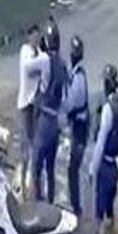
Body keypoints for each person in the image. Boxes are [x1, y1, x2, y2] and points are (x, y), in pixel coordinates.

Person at [88, 63, 118, 234]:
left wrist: (92, 169)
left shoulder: (108, 111)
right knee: (109, 217)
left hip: (104, 168)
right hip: (115, 168)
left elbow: (101, 142)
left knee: (99, 218)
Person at [31, 19, 67, 203]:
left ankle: (38, 208)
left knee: (35, 169)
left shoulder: (44, 62)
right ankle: (52, 206)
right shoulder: (63, 65)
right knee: (50, 169)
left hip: (44, 122)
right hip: (55, 124)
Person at [17, 24, 49, 197]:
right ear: (29, 38)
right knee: (25, 148)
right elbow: (30, 68)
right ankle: (22, 184)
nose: (37, 40)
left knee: (35, 145)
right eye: (34, 37)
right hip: (25, 106)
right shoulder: (25, 53)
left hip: (35, 106)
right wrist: (45, 59)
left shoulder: (39, 56)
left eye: (39, 37)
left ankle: (33, 183)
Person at [63, 35, 90, 216]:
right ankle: (76, 203)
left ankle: (76, 208)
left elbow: (71, 104)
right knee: (74, 167)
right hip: (80, 125)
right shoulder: (78, 73)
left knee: (73, 169)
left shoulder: (78, 79)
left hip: (80, 127)